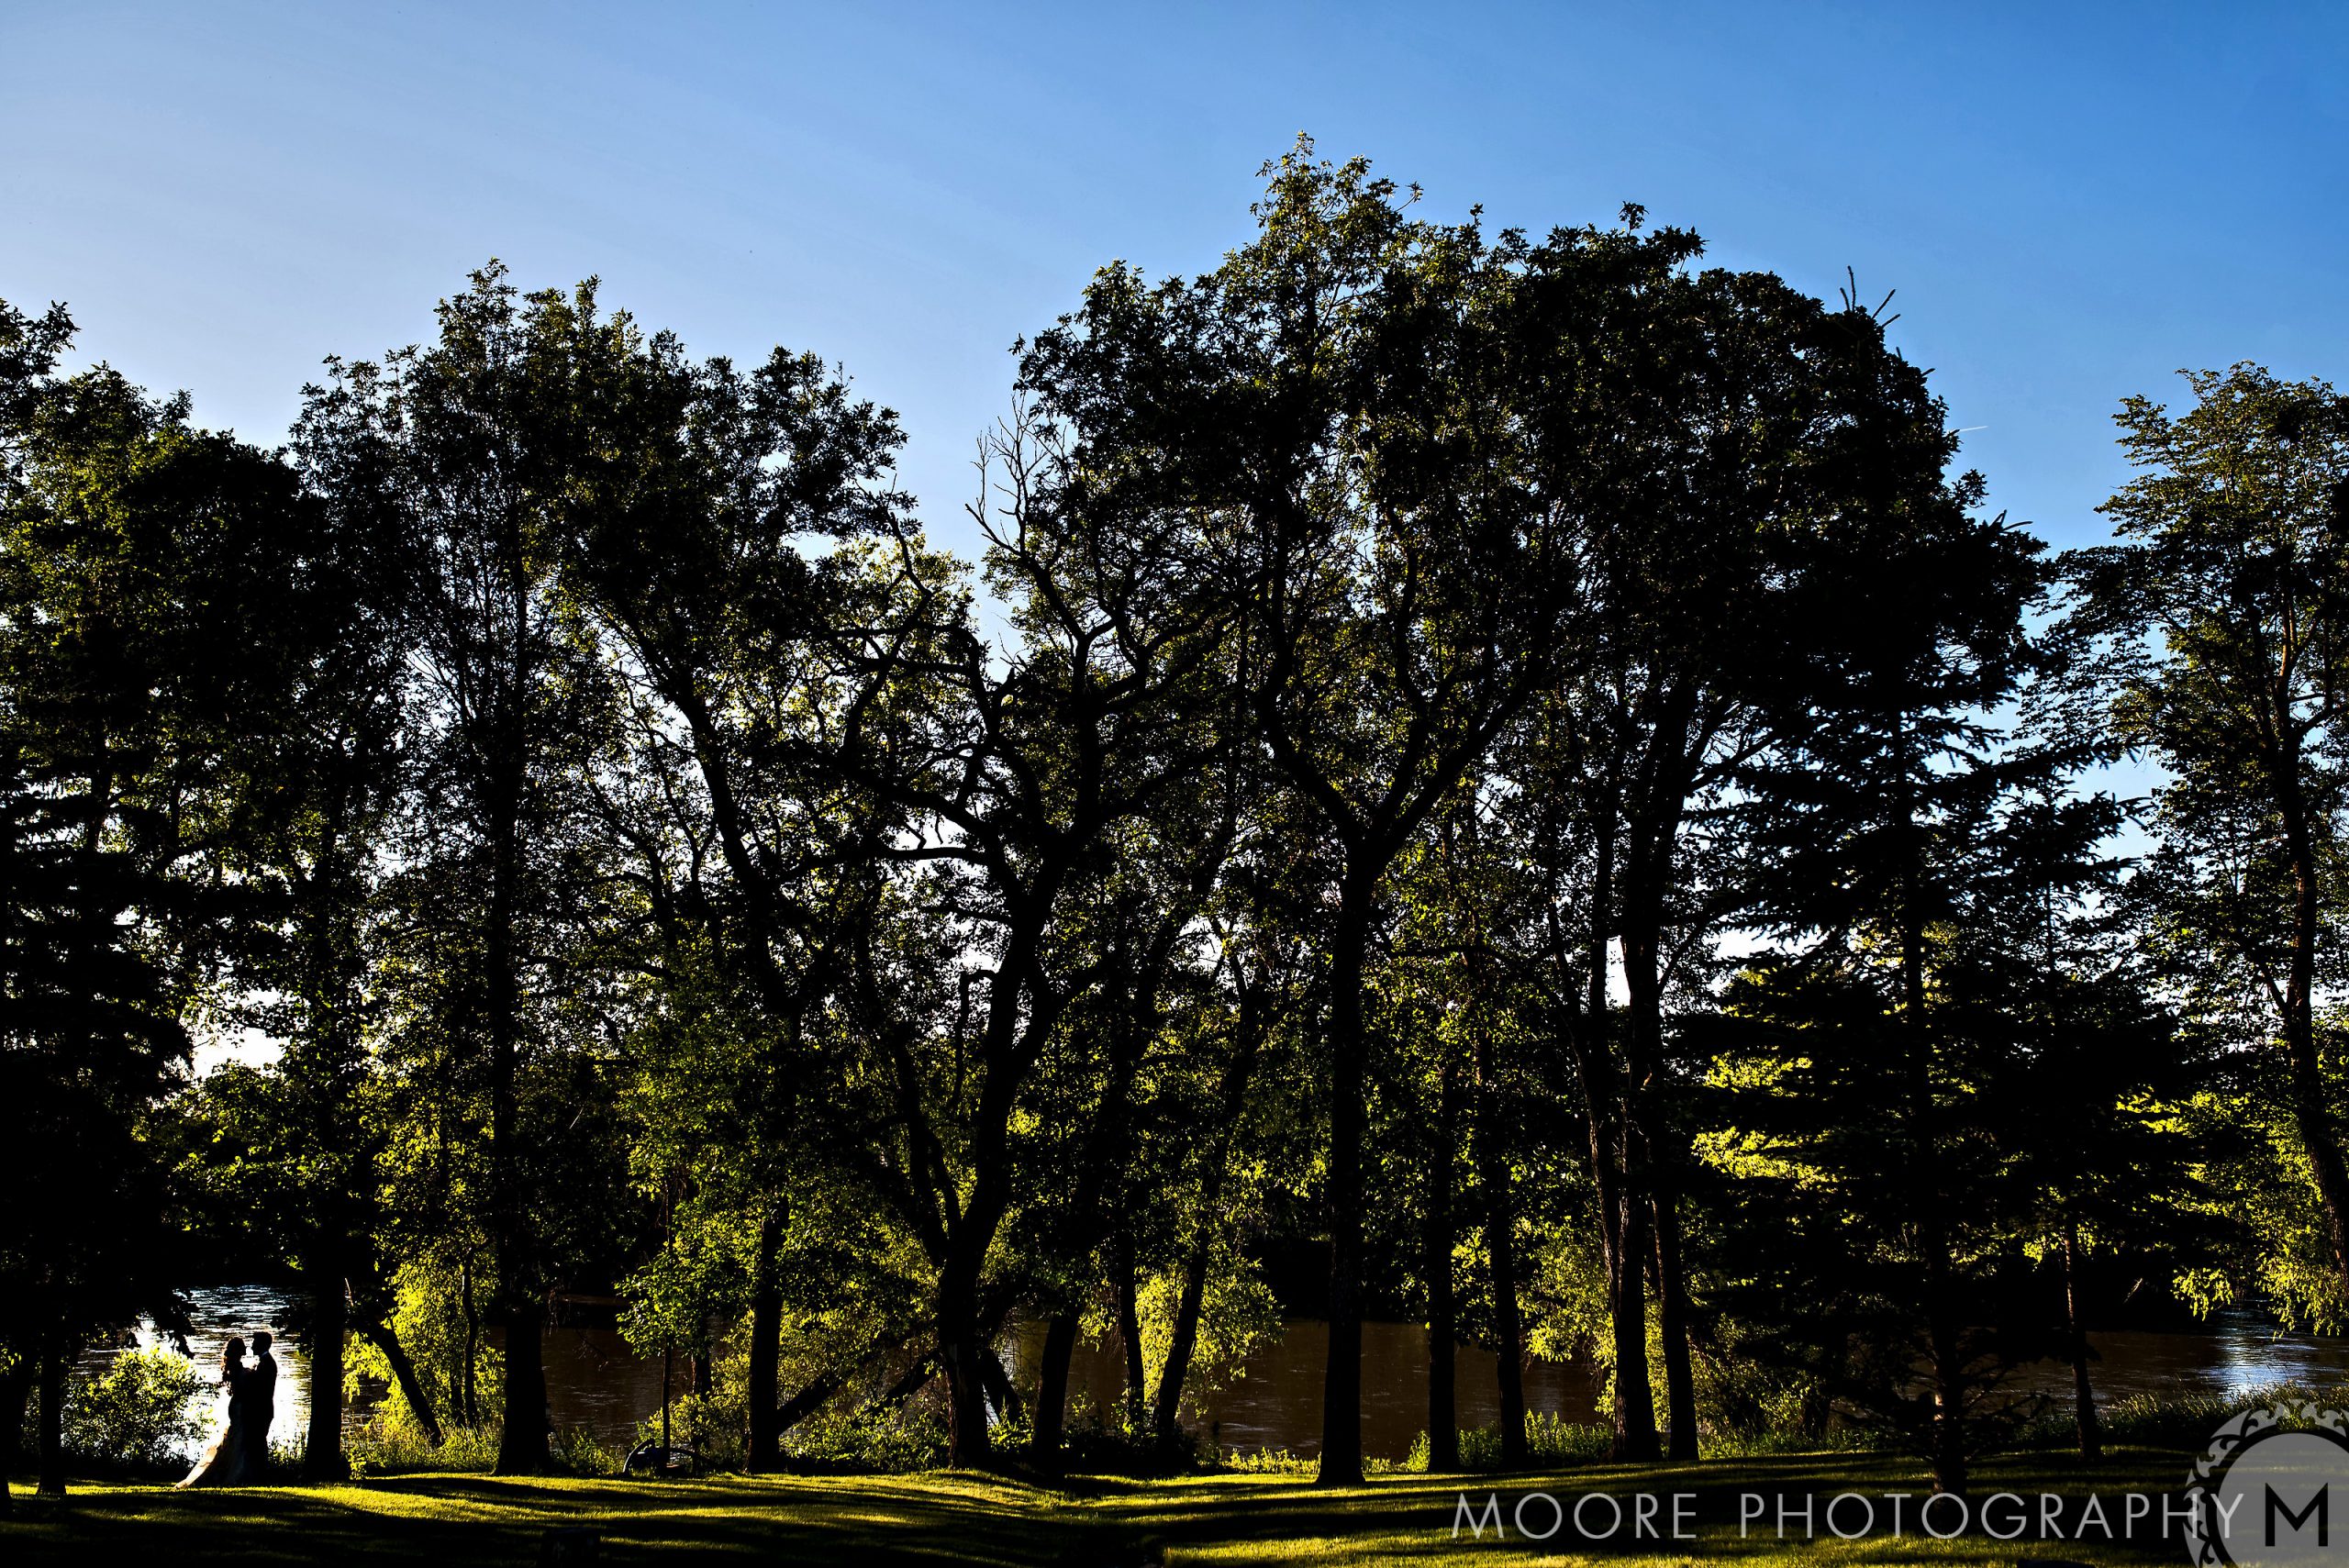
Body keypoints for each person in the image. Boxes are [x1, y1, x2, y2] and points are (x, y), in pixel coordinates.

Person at [176, 1339, 253, 1487]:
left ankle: (232, 1472)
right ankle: (231, 1474)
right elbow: (243, 1384)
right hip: (239, 1407)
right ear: (239, 1351)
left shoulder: (234, 1367)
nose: (245, 1349)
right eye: (243, 1347)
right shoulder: (239, 1369)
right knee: (238, 1438)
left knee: (235, 1438)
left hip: (236, 1405)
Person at [241, 1331, 278, 1477]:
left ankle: (260, 1473)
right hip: (263, 1409)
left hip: (262, 1410)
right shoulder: (265, 1362)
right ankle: (258, 1472)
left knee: (259, 1442)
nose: (251, 1347)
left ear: (262, 1344)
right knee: (257, 1442)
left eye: (254, 1343)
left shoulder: (266, 1364)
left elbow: (261, 1390)